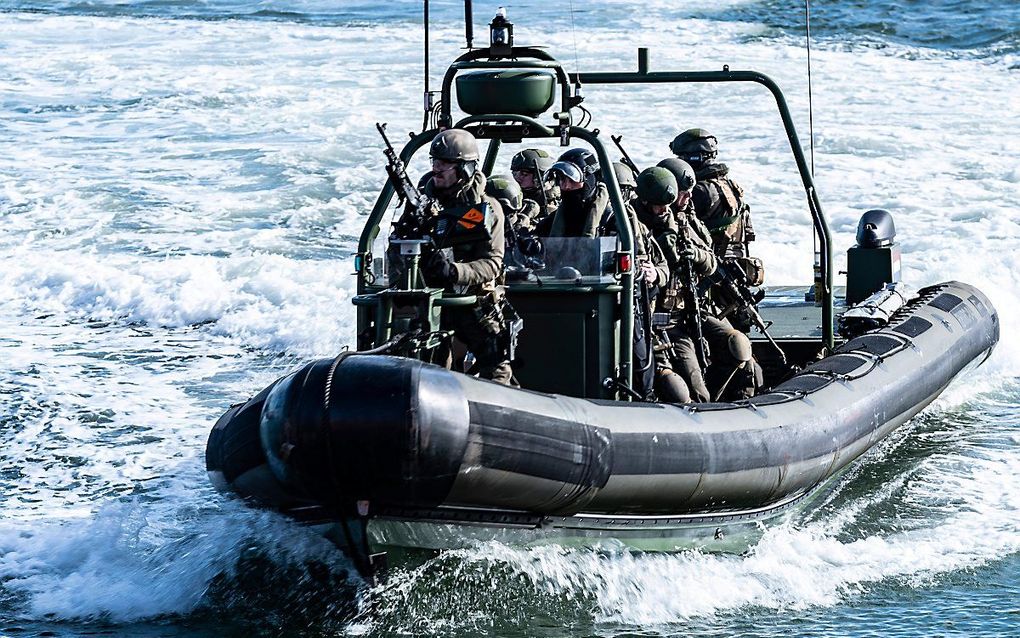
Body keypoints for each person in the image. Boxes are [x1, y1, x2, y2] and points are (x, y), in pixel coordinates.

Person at [390, 128, 513, 384]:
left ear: (465, 168)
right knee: (424, 366)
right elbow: (396, 250)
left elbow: (492, 263)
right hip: (429, 299)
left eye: (445, 163)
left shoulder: (487, 209)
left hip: (471, 300)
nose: (437, 168)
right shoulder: (422, 205)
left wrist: (454, 271)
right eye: (434, 161)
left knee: (497, 364)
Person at [669, 128, 755, 260]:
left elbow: (672, 221)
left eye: (681, 158)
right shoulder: (730, 185)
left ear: (695, 158)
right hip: (735, 259)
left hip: (710, 264)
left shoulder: (699, 191)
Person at [533, 148, 608, 238]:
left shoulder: (612, 218)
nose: (566, 186)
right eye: (562, 179)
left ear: (590, 179)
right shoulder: (551, 221)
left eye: (573, 180)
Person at [510, 148, 559, 220]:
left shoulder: (554, 205)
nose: (517, 177)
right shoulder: (511, 195)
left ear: (539, 177)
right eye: (515, 173)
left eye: (524, 174)